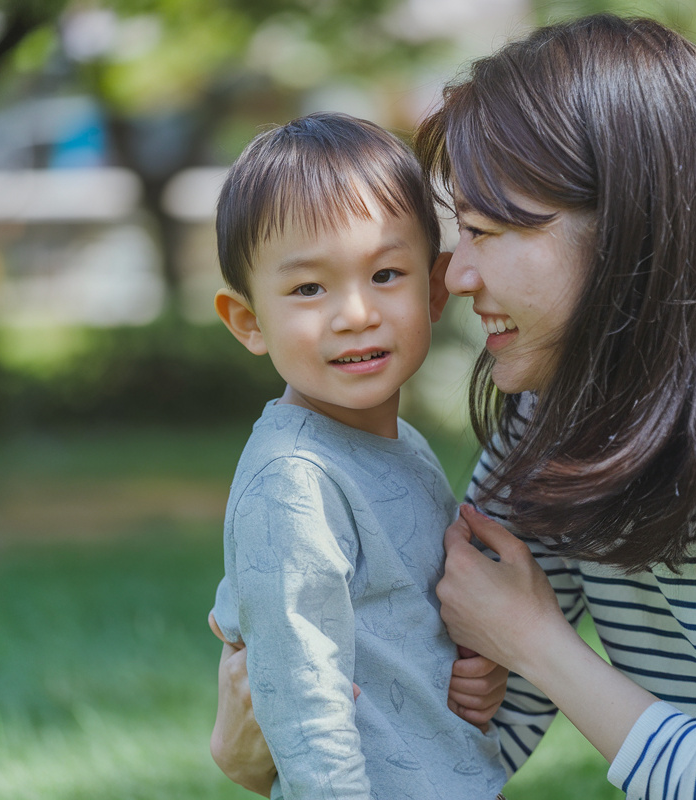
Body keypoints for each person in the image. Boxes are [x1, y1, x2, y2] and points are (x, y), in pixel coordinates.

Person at [210, 15, 696, 800]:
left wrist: (538, 642)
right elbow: (467, 717)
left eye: (488, 230)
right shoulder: (555, 404)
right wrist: (252, 749)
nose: (456, 274)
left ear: (627, 230)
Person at [207, 111, 509, 800]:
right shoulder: (293, 481)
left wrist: (475, 665)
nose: (355, 314)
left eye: (386, 273)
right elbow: (304, 703)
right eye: (309, 288)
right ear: (249, 321)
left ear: (434, 290)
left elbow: (407, 625)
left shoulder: (405, 448)